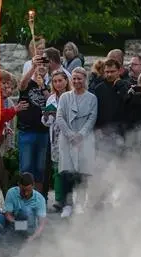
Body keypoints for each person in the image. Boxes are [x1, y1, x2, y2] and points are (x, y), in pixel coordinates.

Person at [55, 68, 97, 217]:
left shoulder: (92, 98)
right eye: (74, 78)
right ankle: (67, 204)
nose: (76, 81)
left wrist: (81, 135)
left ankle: (80, 202)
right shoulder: (65, 97)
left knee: (83, 172)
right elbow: (59, 117)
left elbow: (92, 118)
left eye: (79, 78)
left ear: (84, 79)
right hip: (67, 139)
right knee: (67, 172)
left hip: (84, 139)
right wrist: (71, 135)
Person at [16, 63, 51, 195]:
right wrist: (33, 68)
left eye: (45, 65)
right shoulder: (28, 84)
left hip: (43, 132)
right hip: (27, 131)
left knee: (40, 169)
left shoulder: (49, 85)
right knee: (26, 167)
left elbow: (51, 101)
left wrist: (43, 87)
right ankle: (24, 198)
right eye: (39, 65)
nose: (42, 67)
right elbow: (22, 84)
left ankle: (39, 200)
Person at [0, 172, 47, 244]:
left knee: (26, 211)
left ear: (33, 186)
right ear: (19, 185)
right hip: (13, 223)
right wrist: (15, 223)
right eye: (23, 190)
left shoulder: (40, 199)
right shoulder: (11, 192)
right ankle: (3, 242)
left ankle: (13, 240)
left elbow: (41, 224)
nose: (26, 193)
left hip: (28, 226)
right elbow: (7, 214)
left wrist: (33, 237)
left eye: (28, 190)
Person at [41, 70, 69, 211]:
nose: (58, 84)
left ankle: (68, 198)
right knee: (57, 169)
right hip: (55, 138)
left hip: (69, 136)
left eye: (60, 80)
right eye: (55, 81)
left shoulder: (71, 96)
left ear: (66, 81)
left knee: (69, 169)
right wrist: (47, 115)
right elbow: (46, 122)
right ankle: (59, 199)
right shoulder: (51, 98)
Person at [91, 58, 127, 154]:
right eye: (107, 72)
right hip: (103, 133)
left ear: (119, 71)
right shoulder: (98, 89)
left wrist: (121, 88)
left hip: (122, 132)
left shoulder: (127, 86)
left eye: (112, 71)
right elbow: (95, 112)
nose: (109, 74)